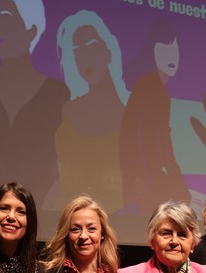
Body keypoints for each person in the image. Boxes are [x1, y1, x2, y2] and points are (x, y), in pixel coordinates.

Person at [0, 0, 69, 207]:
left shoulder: (57, 92)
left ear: (31, 30)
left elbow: (61, 166)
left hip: (42, 213)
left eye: (6, 16)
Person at [49, 10, 129, 211]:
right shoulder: (69, 110)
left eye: (92, 46)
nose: (85, 57)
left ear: (107, 51)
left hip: (117, 217)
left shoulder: (131, 113)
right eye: (77, 50)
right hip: (69, 219)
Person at [119, 20, 190, 215]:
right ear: (152, 51)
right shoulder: (149, 87)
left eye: (175, 49)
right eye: (164, 48)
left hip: (151, 181)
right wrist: (172, 183)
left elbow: (163, 142)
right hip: (144, 184)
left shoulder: (158, 88)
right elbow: (145, 141)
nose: (171, 55)